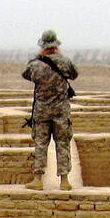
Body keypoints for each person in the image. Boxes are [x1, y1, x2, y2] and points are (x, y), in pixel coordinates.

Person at [22, 29, 79, 191]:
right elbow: (74, 74)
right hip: (61, 111)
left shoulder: (36, 64)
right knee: (62, 143)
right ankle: (64, 180)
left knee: (41, 144)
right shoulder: (65, 62)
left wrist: (39, 56)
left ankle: (38, 179)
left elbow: (26, 73)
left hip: (42, 111)